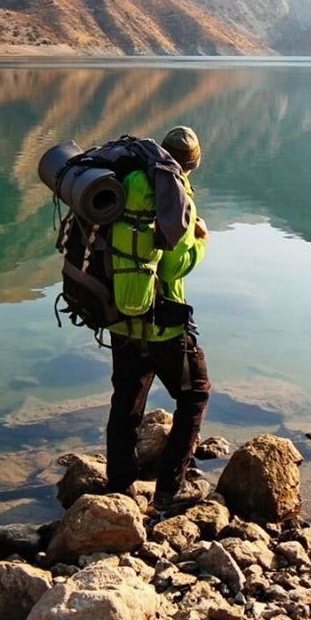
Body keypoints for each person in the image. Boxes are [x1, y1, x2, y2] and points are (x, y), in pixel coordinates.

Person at [104, 126, 212, 512]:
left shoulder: (122, 183)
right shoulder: (175, 195)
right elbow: (172, 268)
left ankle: (119, 486)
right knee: (195, 394)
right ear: (191, 164)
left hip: (119, 316)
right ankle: (171, 487)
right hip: (163, 321)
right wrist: (201, 241)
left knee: (127, 400)